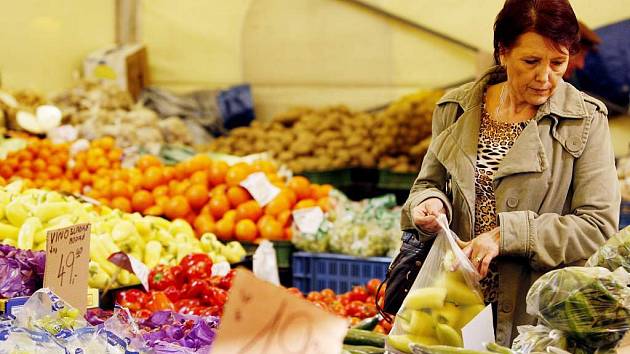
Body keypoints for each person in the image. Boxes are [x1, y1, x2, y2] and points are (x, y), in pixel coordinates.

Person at [400, 0, 620, 346]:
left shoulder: (586, 120)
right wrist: (428, 204)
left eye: (558, 62)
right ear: (503, 52)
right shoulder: (456, 110)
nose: (545, 77)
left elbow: (597, 227)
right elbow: (428, 184)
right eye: (531, 61)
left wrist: (509, 234)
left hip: (537, 319)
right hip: (456, 308)